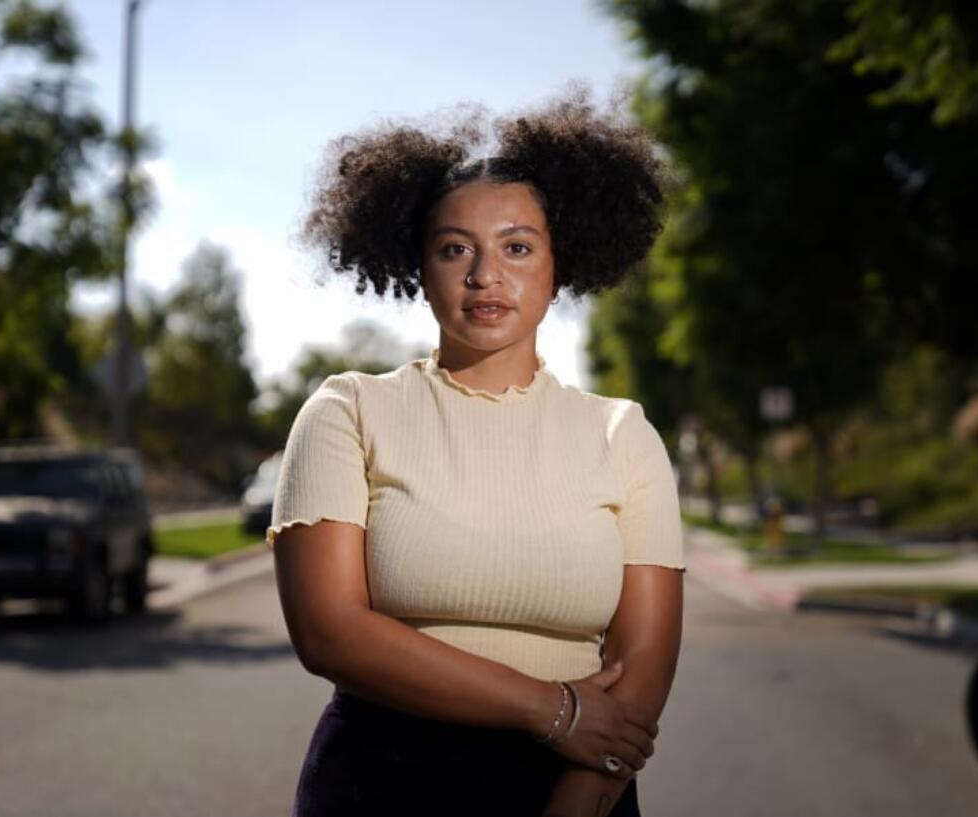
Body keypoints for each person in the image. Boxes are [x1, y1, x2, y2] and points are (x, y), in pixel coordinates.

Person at [268, 87, 685, 817]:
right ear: (419, 268)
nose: (485, 275)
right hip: (382, 783)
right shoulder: (347, 410)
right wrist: (553, 709)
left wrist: (579, 799)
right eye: (455, 248)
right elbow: (328, 630)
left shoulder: (624, 434)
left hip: (577, 782)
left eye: (517, 247)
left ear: (562, 263)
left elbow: (641, 667)